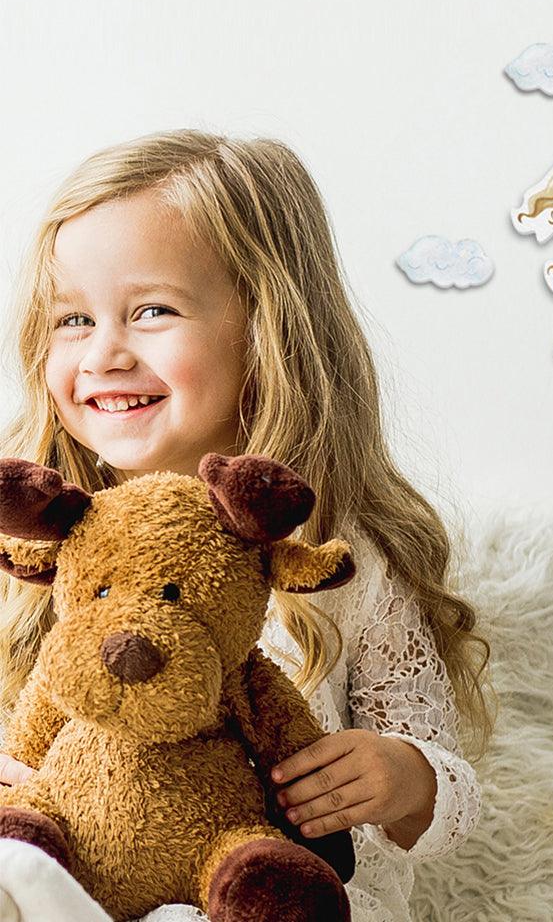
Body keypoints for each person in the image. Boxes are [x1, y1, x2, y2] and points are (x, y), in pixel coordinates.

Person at [0, 129, 493, 921]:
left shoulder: (340, 563)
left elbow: (453, 808)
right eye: (73, 319)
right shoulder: (34, 551)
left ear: (268, 331)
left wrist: (403, 777)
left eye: (151, 311)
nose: (103, 354)